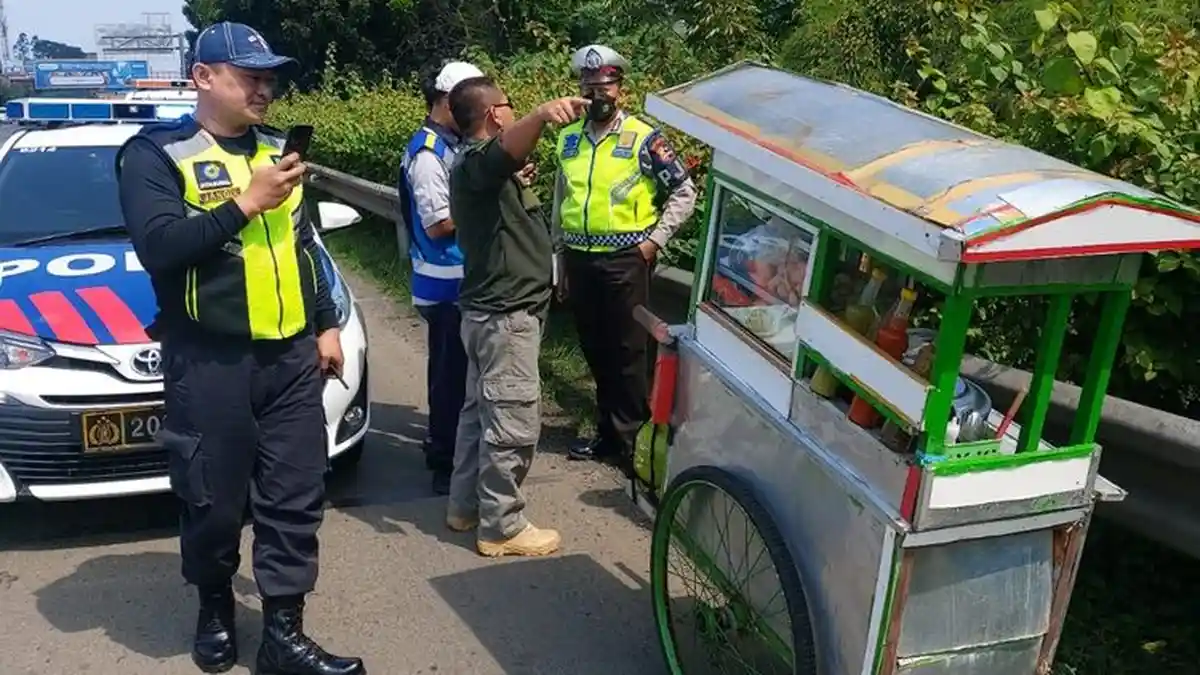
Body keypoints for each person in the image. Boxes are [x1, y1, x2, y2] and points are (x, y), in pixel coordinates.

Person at [115, 22, 364, 675]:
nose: (265, 86)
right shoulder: (156, 153)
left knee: (294, 497)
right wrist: (245, 203)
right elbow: (159, 246)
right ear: (202, 77)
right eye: (248, 74)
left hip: (288, 360)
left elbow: (303, 242)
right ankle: (215, 603)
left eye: (269, 75)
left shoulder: (280, 149)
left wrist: (326, 320)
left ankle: (283, 633)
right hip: (209, 361)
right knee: (213, 500)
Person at [443, 75, 589, 557]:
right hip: (506, 318)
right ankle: (502, 526)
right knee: (511, 423)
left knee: (477, 415)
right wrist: (543, 115)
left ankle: (465, 507)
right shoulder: (479, 161)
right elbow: (502, 152)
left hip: (490, 314)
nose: (513, 110)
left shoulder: (484, 171)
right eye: (509, 106)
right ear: (493, 115)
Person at [551, 44, 698, 465]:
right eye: (589, 86)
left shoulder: (644, 138)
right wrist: (558, 259)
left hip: (625, 261)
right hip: (579, 260)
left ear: (620, 89)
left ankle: (634, 445)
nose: (598, 94)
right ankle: (608, 435)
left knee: (629, 354)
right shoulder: (568, 138)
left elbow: (684, 192)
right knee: (595, 349)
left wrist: (654, 241)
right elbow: (561, 199)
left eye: (605, 86)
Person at [396, 59, 483, 495]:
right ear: (448, 101)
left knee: (458, 372)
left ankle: (453, 449)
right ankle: (444, 460)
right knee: (450, 378)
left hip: (456, 281)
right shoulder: (430, 152)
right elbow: (438, 224)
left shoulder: (451, 143)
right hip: (444, 284)